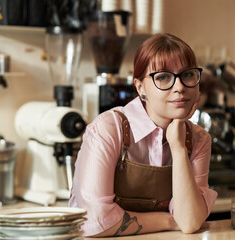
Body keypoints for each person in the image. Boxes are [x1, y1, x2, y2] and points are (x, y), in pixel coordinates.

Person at [69, 33, 218, 237]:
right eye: (163, 77)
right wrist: (169, 220)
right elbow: (95, 221)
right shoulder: (109, 128)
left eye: (188, 74)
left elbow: (190, 221)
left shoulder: (199, 139)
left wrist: (178, 148)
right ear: (140, 87)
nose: (180, 87)